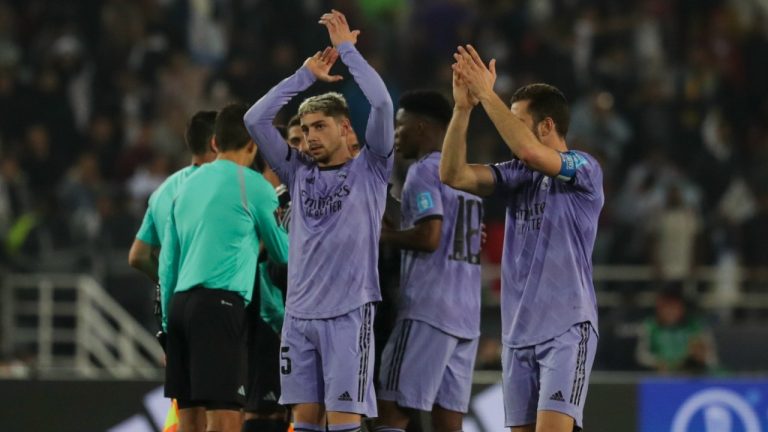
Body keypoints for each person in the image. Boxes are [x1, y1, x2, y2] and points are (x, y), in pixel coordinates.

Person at [244, 9, 393, 432]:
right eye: (305, 129)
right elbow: (254, 119)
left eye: (320, 127)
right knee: (304, 424)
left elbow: (382, 103)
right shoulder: (297, 171)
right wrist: (304, 76)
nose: (309, 137)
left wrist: (347, 51)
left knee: (344, 424)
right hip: (299, 318)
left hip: (348, 314)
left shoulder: (372, 167)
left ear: (345, 129)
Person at [441, 45, 604, 432]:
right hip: (517, 334)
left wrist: (487, 94)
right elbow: (453, 175)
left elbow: (529, 151)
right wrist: (462, 109)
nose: (506, 129)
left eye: (517, 120)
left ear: (546, 126)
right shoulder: (517, 175)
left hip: (567, 328)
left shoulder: (584, 168)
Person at [159, 103, 289, 432]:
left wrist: (165, 326)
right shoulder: (255, 186)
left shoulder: (183, 186)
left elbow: (168, 263)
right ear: (253, 144)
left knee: (190, 419)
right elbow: (283, 253)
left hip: (179, 308)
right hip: (219, 307)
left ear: (214, 143)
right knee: (226, 417)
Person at [374, 90, 483, 432]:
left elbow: (429, 236)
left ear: (420, 127)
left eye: (400, 126)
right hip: (466, 316)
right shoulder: (466, 176)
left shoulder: (423, 172)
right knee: (448, 422)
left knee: (389, 409)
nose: (395, 135)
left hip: (428, 310)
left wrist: (383, 236)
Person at [128, 110, 217, 331]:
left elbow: (138, 256)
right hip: (211, 308)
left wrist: (165, 279)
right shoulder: (222, 186)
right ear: (216, 143)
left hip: (172, 309)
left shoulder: (162, 191)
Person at [635, 288, 718, 374]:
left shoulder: (697, 325)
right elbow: (641, 356)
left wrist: (701, 356)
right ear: (659, 308)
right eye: (667, 307)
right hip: (659, 375)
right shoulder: (649, 326)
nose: (671, 311)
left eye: (674, 307)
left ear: (682, 308)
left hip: (693, 374)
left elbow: (712, 358)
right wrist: (656, 362)